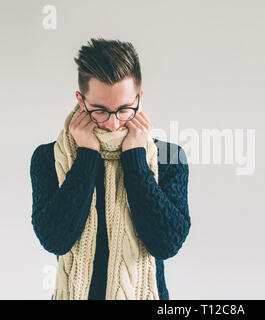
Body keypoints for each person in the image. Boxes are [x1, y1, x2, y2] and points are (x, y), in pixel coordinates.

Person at [29, 38, 191, 300]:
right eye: (100, 111)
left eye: (125, 109)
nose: (114, 124)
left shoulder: (169, 158)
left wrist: (135, 157)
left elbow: (166, 244)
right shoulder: (48, 158)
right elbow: (55, 240)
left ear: (139, 98)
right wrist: (86, 156)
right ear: (81, 101)